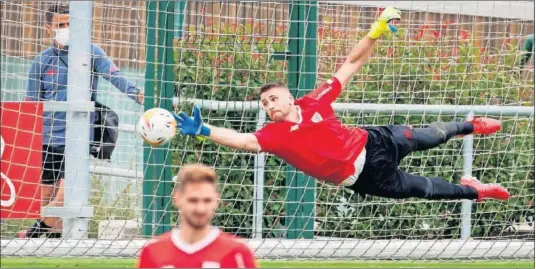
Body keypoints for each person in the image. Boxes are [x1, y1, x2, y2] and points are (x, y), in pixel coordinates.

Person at [174, 7, 510, 202]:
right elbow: (245, 141)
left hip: (375, 141)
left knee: (431, 137)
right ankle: (474, 191)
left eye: (273, 98)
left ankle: (472, 125)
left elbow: (350, 64)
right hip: (360, 177)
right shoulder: (274, 135)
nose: (269, 106)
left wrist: (376, 31)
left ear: (290, 97)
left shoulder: (315, 100)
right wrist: (204, 130)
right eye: (264, 104)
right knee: (422, 189)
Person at [20, 4, 144, 238]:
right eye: (60, 25)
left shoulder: (91, 53)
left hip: (78, 137)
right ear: (49, 28)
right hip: (47, 140)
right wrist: (25, 143)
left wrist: (137, 94)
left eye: (70, 24)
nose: (66, 29)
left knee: (64, 197)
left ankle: (32, 234)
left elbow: (114, 75)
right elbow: (30, 103)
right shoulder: (41, 62)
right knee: (45, 200)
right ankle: (51, 241)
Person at [137, 164, 258, 268]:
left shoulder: (238, 253)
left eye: (207, 200)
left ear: (216, 200)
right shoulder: (153, 252)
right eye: (193, 200)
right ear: (177, 198)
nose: (200, 208)